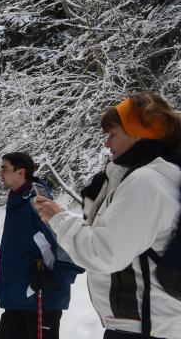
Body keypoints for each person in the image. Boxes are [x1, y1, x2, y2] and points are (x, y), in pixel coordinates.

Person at [35, 92, 181, 339]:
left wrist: (59, 217)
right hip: (149, 325)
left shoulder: (146, 182)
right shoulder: (159, 175)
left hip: (146, 329)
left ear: (138, 133)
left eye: (113, 135)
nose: (106, 144)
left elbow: (103, 253)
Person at [0, 152, 83, 339]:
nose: (0, 173)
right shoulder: (17, 201)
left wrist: (54, 278)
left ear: (21, 172)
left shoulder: (38, 202)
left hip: (40, 298)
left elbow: (68, 241)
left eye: (5, 168)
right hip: (18, 298)